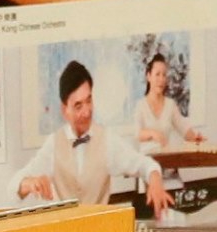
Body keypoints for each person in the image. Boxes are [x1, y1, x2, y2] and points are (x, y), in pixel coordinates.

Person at [14, 60, 171, 216]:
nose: (87, 111)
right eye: (78, 106)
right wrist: (28, 183)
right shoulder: (54, 144)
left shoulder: (107, 140)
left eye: (89, 100)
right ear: (64, 110)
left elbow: (144, 164)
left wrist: (155, 179)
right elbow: (14, 186)